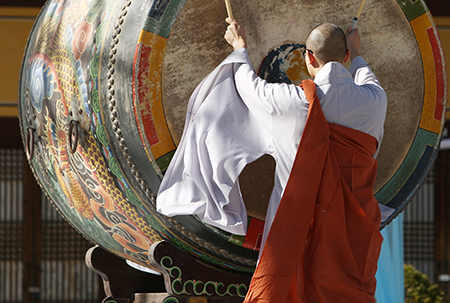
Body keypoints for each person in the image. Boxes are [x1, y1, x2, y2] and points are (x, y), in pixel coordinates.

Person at [157, 18, 387, 302]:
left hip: (293, 228)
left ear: (308, 58)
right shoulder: (375, 102)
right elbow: (366, 76)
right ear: (346, 56)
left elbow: (247, 85)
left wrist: (240, 47)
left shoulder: (292, 103)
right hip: (352, 233)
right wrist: (357, 53)